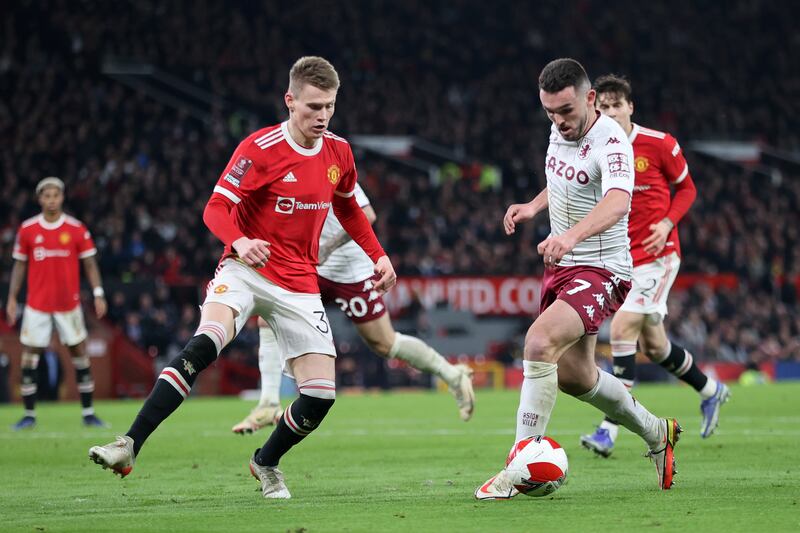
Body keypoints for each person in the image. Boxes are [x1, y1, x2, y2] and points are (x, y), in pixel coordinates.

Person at [88, 56, 397, 500]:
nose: (322, 116)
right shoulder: (260, 148)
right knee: (207, 339)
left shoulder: (339, 152)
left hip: (299, 281)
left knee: (321, 395)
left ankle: (265, 461)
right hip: (246, 269)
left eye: (329, 106)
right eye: (313, 107)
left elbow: (347, 206)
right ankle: (129, 444)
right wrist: (240, 241)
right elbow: (215, 209)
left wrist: (377, 255)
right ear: (290, 101)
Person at [475, 59, 680, 500]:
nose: (558, 121)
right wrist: (533, 207)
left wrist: (569, 236)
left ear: (590, 99)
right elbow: (565, 179)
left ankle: (515, 467)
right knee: (574, 374)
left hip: (602, 267)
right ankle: (657, 432)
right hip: (562, 265)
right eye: (549, 112)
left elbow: (618, 200)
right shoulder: (560, 126)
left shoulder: (611, 141)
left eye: (566, 111)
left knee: (537, 343)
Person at [232, 183, 474, 434]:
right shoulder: (284, 167)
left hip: (350, 270)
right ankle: (268, 404)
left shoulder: (330, 164)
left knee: (384, 343)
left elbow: (367, 214)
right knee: (269, 317)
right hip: (310, 266)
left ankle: (454, 376)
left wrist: (327, 247)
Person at [580, 75, 730, 457]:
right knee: (655, 343)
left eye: (617, 105)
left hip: (659, 256)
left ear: (630, 107)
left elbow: (689, 189)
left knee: (625, 326)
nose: (611, 112)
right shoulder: (596, 148)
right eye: (604, 107)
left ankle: (608, 429)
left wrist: (666, 223)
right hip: (623, 257)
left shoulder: (659, 144)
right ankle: (712, 391)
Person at [7, 177, 109, 430]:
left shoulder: (76, 229)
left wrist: (98, 292)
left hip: (68, 305)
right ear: (40, 198)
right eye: (47, 195)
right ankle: (29, 415)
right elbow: (19, 266)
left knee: (79, 353)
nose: (52, 200)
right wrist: (11, 298)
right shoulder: (27, 230)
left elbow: (89, 263)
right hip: (37, 305)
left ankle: (88, 413)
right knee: (29, 357)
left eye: (56, 195)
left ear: (62, 197)